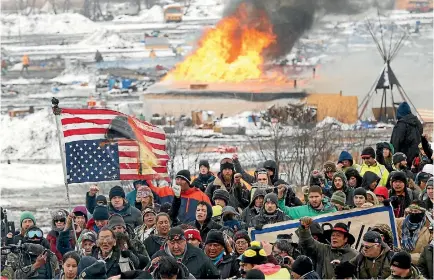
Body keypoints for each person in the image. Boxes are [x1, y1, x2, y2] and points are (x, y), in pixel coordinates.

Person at [150, 227, 220, 279]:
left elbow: (215, 276)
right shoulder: (157, 257)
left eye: (179, 242)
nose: (176, 247)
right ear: (167, 242)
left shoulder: (199, 255)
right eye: (172, 243)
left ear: (185, 241)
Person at [390, 101, 423, 167]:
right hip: (416, 161)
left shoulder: (401, 125)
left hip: (402, 161)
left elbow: (395, 144)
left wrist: (394, 160)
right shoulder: (417, 123)